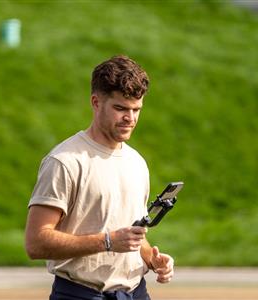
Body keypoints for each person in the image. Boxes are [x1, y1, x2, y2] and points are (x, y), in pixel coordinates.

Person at [25, 55, 174, 300]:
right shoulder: (65, 161)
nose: (130, 118)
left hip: (136, 293)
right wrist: (107, 241)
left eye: (136, 109)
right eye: (120, 108)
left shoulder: (136, 162)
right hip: (80, 294)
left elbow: (129, 237)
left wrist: (152, 259)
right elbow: (35, 243)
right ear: (96, 102)